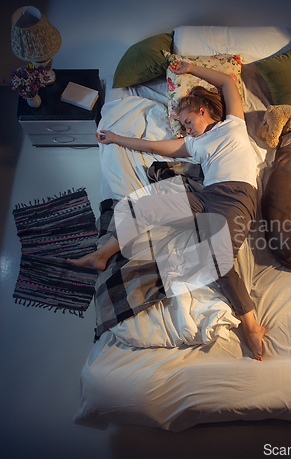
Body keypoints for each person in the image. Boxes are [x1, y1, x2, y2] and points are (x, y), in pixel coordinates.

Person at [68, 60, 266, 360]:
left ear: (202, 110)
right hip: (207, 195)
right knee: (146, 206)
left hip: (237, 197)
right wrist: (115, 138)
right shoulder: (194, 145)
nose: (186, 129)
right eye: (184, 127)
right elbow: (153, 147)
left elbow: (227, 81)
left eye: (188, 121)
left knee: (218, 258)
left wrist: (189, 68)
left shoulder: (233, 123)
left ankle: (251, 324)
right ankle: (103, 254)